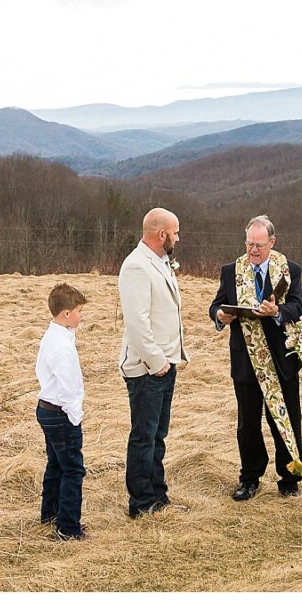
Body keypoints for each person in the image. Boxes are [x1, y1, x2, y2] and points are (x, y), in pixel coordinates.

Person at [208, 214, 302, 500]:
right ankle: (249, 478)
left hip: (282, 359)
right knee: (248, 423)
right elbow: (216, 304)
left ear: (272, 243)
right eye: (249, 244)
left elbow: (298, 306)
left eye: (259, 245)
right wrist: (220, 315)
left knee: (286, 419)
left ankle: (289, 478)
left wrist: (277, 312)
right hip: (246, 361)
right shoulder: (231, 271)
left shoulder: (289, 269)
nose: (253, 250)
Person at [117, 207, 189, 518]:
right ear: (161, 235)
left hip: (165, 364)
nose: (178, 237)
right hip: (147, 368)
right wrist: (157, 362)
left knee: (158, 433)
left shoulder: (159, 262)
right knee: (144, 435)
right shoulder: (136, 266)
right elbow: (137, 323)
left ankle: (158, 493)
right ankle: (141, 501)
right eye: (175, 232)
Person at [35, 282, 88, 541]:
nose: (80, 315)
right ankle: (68, 527)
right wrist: (75, 417)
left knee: (56, 464)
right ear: (66, 314)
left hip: (47, 409)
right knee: (73, 469)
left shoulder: (55, 336)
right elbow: (69, 387)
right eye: (78, 311)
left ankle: (51, 513)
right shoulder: (61, 347)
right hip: (60, 413)